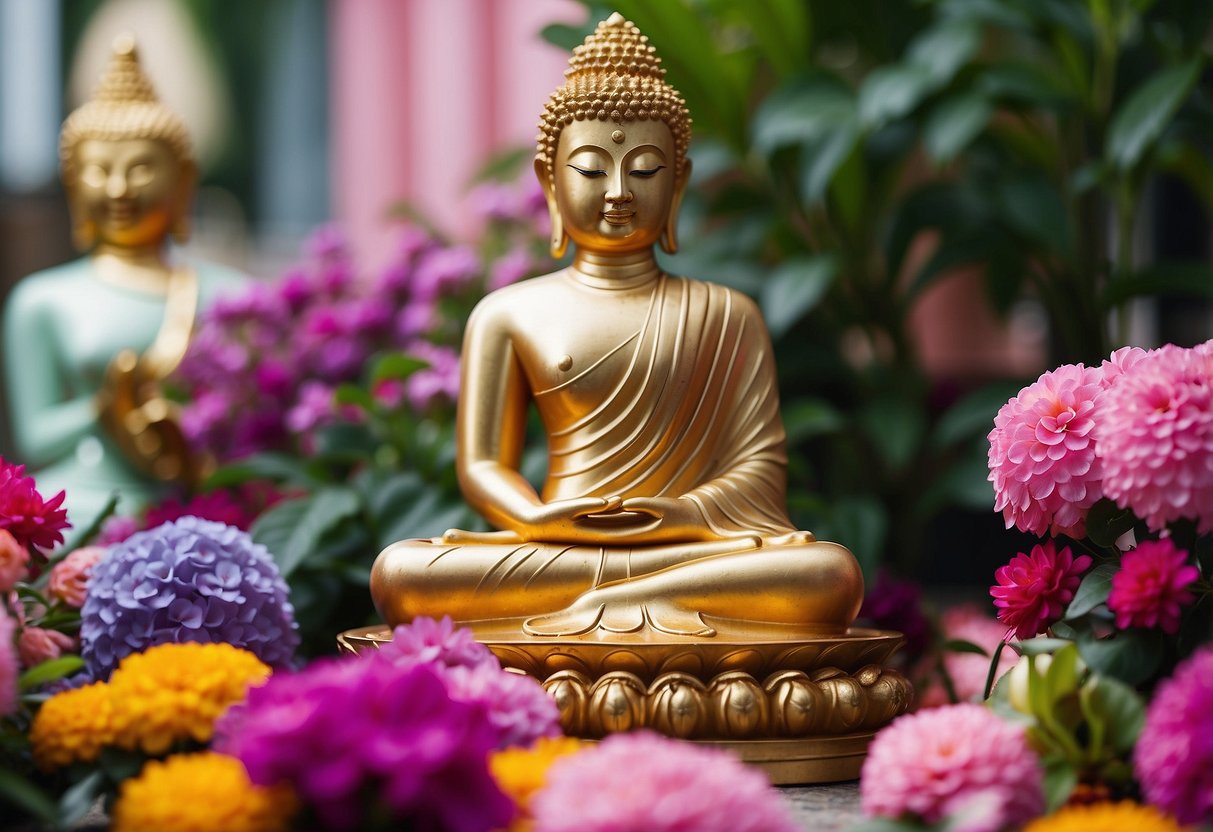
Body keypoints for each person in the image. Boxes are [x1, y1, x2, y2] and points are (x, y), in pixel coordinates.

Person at [371, 14, 862, 638]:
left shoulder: (726, 313)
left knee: (825, 574)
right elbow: (481, 467)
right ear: (550, 182)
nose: (619, 191)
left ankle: (622, 603)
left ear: (678, 183)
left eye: (647, 170)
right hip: (558, 548)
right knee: (404, 573)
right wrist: (539, 520)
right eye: (591, 169)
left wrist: (682, 514)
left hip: (688, 546)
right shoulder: (506, 313)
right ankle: (653, 604)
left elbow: (759, 469)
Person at [2, 36, 243, 531]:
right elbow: (35, 436)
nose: (118, 189)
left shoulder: (232, 297)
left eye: (139, 169)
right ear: (72, 183)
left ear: (183, 181)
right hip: (88, 498)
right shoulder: (42, 300)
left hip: (197, 494)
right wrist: (103, 408)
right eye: (98, 171)